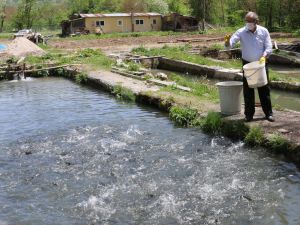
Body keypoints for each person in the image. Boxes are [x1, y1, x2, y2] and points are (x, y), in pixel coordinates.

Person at [225, 11, 274, 122]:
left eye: (250, 21)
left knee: (264, 90)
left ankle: (268, 114)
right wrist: (227, 42)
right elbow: (230, 45)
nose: (248, 23)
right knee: (248, 90)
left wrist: (264, 56)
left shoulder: (264, 31)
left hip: (261, 63)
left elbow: (269, 46)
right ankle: (249, 115)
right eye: (246, 21)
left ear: (256, 21)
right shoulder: (241, 32)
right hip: (247, 64)